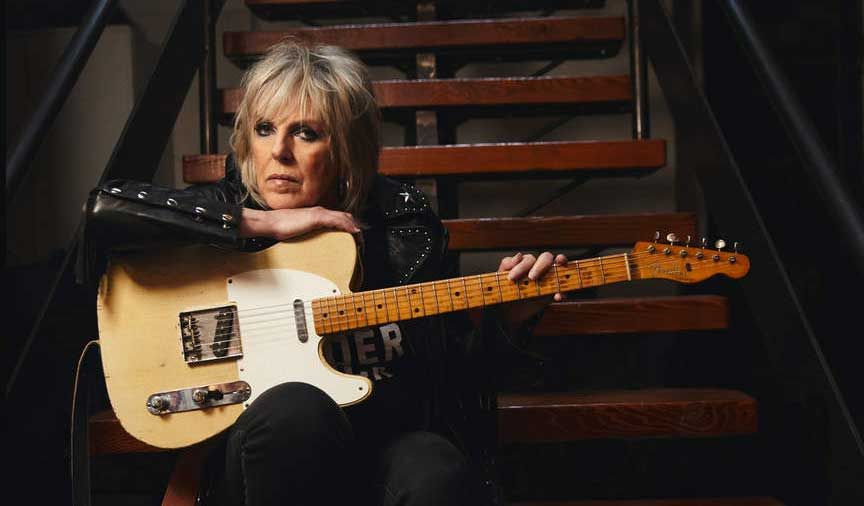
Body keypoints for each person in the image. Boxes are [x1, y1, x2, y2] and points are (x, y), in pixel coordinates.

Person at [84, 41, 567, 506]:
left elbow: (455, 378)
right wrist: (261, 221)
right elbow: (105, 209)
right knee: (295, 411)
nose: (280, 151)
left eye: (307, 133)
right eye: (265, 129)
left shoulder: (404, 228)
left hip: (381, 448)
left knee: (433, 467)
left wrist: (508, 322)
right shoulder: (223, 213)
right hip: (270, 460)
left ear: (346, 151)